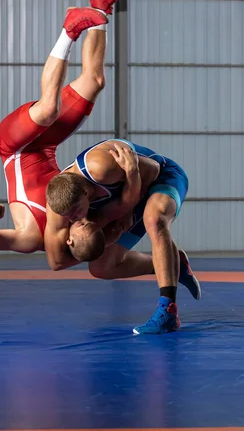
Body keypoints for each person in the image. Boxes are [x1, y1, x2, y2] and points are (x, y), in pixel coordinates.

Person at [0, 0, 138, 253]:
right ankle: (100, 6)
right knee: (94, 82)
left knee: (49, 109)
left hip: (13, 147)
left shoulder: (32, 237)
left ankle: (69, 31)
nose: (83, 221)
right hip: (45, 143)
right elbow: (123, 204)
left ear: (69, 240)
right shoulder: (85, 206)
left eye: (82, 227)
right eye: (92, 227)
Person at [45, 138, 201, 334]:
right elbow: (57, 262)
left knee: (154, 219)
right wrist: (108, 237)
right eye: (68, 216)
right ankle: (174, 263)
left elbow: (153, 169)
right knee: (101, 268)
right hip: (129, 195)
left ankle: (168, 310)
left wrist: (130, 193)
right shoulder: (58, 207)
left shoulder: (101, 168)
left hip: (161, 176)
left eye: (76, 211)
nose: (72, 219)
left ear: (86, 192)